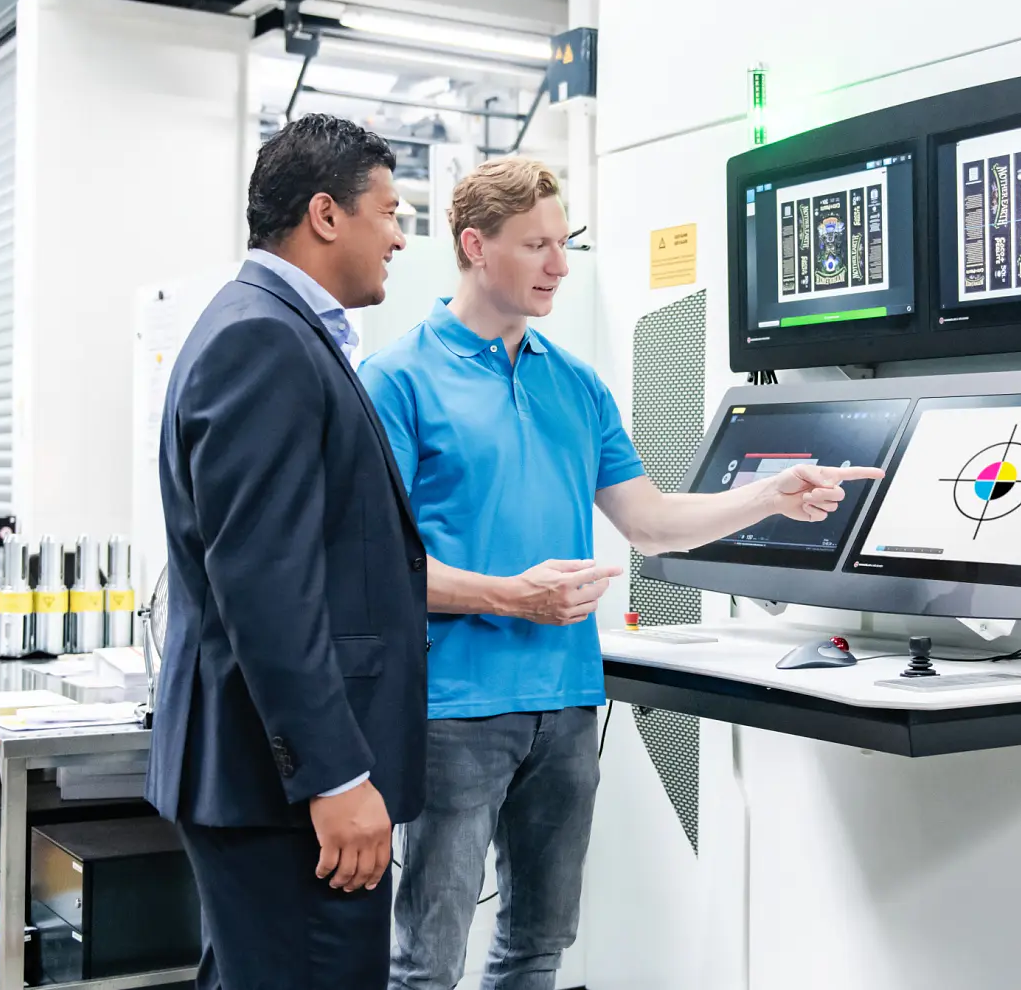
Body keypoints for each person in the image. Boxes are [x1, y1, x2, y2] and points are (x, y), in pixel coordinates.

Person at [359, 158, 880, 990]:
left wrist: (769, 496)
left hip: (566, 705)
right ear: (474, 246)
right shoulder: (396, 382)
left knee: (538, 944)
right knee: (426, 963)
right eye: (536, 245)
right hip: (453, 708)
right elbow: (372, 569)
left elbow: (651, 522)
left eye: (563, 244)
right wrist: (509, 596)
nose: (560, 266)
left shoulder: (577, 385)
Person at [147, 114, 428, 990]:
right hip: (287, 790)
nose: (399, 234)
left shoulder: (273, 330)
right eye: (388, 210)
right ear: (326, 215)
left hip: (268, 777)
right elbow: (268, 586)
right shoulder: (262, 339)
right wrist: (336, 775)